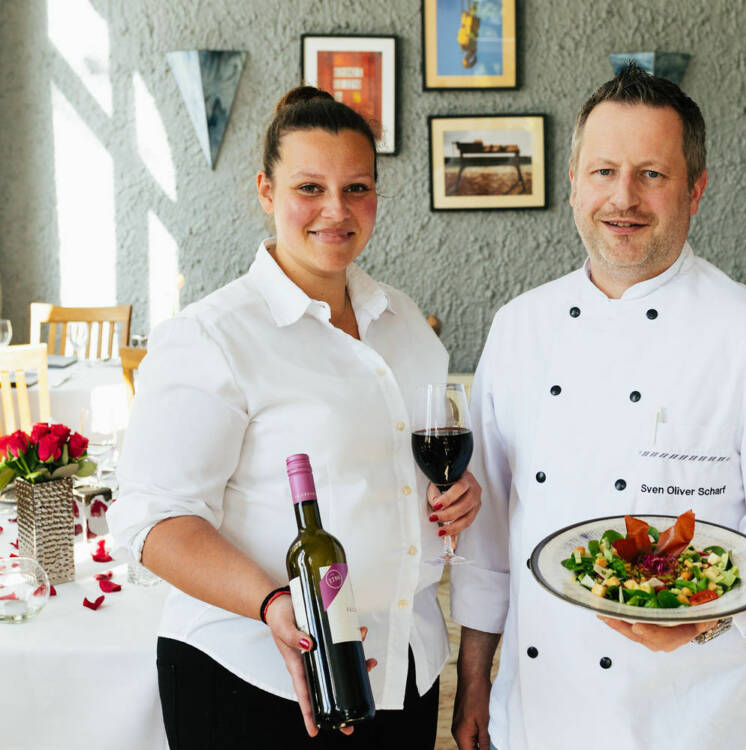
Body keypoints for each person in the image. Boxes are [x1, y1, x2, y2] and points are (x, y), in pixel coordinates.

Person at [449, 62, 746, 749]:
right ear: (573, 183)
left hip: (687, 714)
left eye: (652, 174)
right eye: (603, 171)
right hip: (537, 707)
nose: (623, 198)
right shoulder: (520, 327)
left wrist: (708, 617)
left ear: (695, 190)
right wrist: (475, 679)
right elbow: (490, 539)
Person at [108, 86, 481, 749]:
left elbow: (403, 477)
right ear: (265, 191)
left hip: (402, 668)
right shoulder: (213, 335)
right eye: (309, 187)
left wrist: (453, 498)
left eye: (358, 188)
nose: (336, 211)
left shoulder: (407, 328)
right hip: (253, 677)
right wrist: (274, 604)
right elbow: (153, 521)